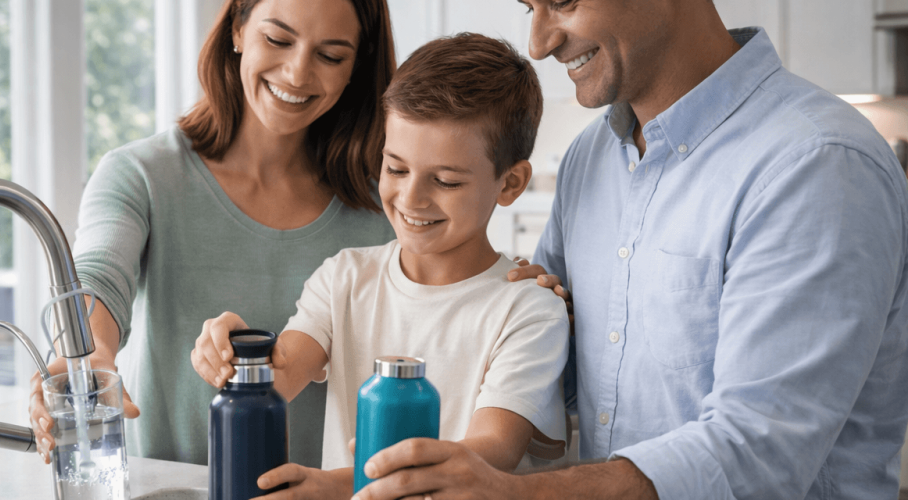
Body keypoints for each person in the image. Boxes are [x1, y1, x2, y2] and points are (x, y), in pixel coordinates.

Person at [353, 1, 908, 499]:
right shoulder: (590, 157)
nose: (539, 44)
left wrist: (513, 494)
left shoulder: (816, 164)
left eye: (563, 2)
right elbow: (553, 376)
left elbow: (758, 453)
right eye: (530, 9)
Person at [192, 33, 569, 498]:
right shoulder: (344, 278)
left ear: (509, 183)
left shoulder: (529, 311)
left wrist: (338, 486)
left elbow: (490, 453)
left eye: (445, 181)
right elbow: (280, 375)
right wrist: (234, 356)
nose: (411, 198)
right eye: (396, 169)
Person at [27, 0, 397, 468]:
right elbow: (99, 271)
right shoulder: (141, 174)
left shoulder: (387, 206)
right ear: (237, 29)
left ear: (357, 67)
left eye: (331, 55)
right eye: (277, 39)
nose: (298, 73)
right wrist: (90, 353)